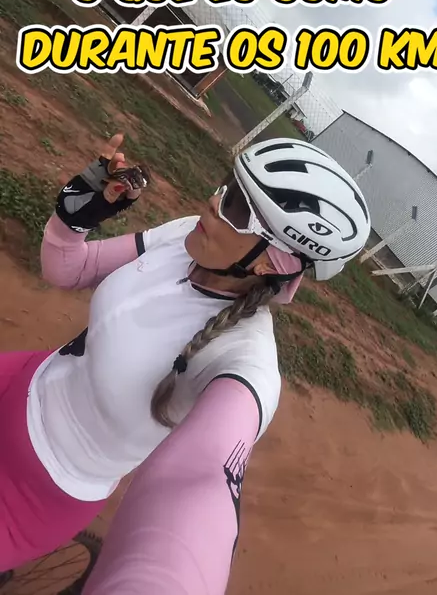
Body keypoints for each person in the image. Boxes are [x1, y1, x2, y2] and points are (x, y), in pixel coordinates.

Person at [0, 132, 371, 584]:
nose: (214, 203)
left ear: (273, 263)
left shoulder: (243, 361)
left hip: (34, 493)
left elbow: (202, 477)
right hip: (20, 379)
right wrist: (75, 216)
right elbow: (68, 270)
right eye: (227, 186)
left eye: (237, 208)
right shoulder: (184, 235)